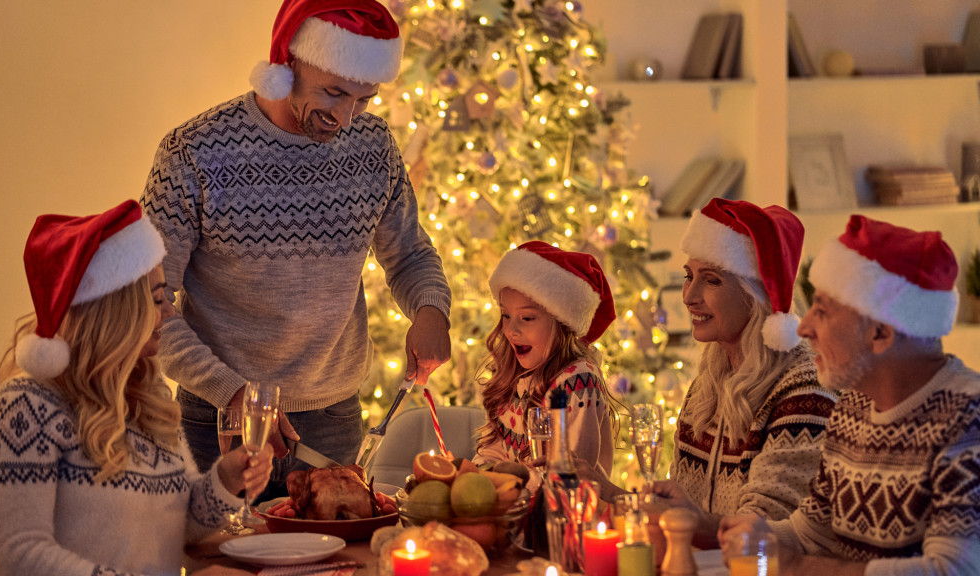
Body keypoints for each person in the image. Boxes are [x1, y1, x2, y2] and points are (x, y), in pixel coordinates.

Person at [141, 0, 452, 498]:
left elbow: (410, 255)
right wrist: (232, 392)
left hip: (334, 415)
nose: (346, 118)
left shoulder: (374, 146)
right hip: (218, 417)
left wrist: (431, 308)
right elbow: (148, 303)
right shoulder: (194, 152)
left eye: (364, 99)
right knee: (224, 564)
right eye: (333, 92)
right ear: (287, 63)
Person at [0, 200, 271, 576]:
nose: (168, 313)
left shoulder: (149, 397)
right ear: (116, 313)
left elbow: (175, 527)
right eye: (156, 299)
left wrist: (227, 479)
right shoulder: (25, 408)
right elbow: (18, 555)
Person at [720, 215, 980, 575]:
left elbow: (952, 570)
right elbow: (812, 533)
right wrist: (758, 535)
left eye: (823, 311)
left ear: (880, 334)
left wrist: (796, 565)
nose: (805, 326)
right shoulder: (852, 408)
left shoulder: (969, 420)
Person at [639, 199, 836, 546]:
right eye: (689, 276)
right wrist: (609, 493)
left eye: (711, 280)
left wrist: (690, 523)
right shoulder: (710, 379)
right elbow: (684, 504)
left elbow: (763, 533)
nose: (688, 295)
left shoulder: (805, 392)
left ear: (756, 295)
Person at [473, 241, 618, 491]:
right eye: (506, 315)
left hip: (566, 523)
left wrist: (503, 483)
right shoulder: (515, 374)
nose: (511, 330)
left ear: (562, 323)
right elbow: (493, 454)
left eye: (527, 318)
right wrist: (474, 477)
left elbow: (571, 479)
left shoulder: (579, 382)